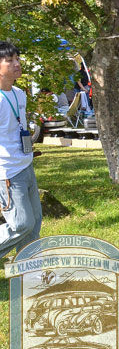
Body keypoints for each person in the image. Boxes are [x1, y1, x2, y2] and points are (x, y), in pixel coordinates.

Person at [0, 42, 43, 261]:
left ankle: (28, 270)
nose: (17, 64)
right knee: (21, 224)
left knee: (34, 223)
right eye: (10, 60)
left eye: (17, 58)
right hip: (7, 172)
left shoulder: (19, 94)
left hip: (26, 165)